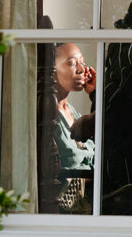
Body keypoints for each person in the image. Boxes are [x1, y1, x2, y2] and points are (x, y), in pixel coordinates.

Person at [52, 43, 97, 172]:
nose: (81, 69)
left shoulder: (72, 111)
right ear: (52, 69)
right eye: (72, 63)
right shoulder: (49, 113)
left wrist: (94, 91)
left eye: (81, 62)